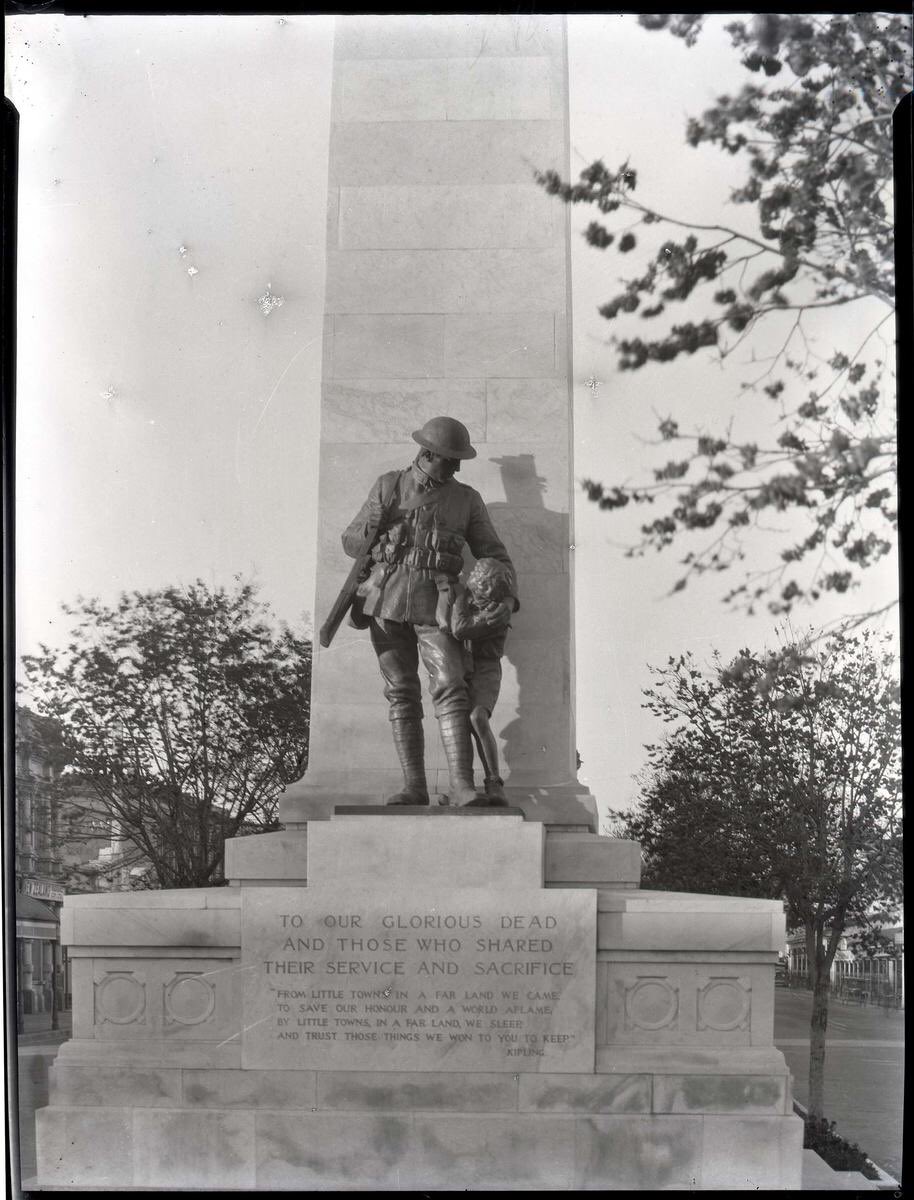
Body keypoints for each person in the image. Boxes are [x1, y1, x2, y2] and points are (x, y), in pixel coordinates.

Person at [341, 417, 517, 806]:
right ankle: (414, 787)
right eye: (450, 460)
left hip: (437, 604)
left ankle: (462, 786)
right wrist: (372, 525)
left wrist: (506, 599)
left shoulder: (467, 499)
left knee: (451, 686)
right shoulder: (389, 486)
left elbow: (495, 554)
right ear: (427, 454)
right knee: (401, 692)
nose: (456, 468)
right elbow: (351, 541)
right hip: (384, 600)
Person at [450, 557, 515, 806]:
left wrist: (464, 608)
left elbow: (461, 629)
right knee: (458, 722)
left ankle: (494, 782)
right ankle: (461, 784)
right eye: (483, 584)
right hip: (464, 668)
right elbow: (461, 627)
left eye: (489, 586)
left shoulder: (499, 612)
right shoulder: (468, 601)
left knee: (478, 717)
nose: (484, 590)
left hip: (487, 670)